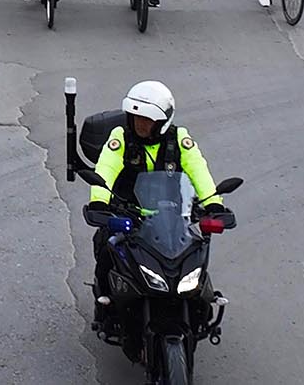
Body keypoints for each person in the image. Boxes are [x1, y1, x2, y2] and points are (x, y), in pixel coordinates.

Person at [85, 81, 229, 339]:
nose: (140, 124)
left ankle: (200, 304)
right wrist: (99, 201)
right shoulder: (120, 137)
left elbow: (198, 169)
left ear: (162, 121)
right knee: (106, 246)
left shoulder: (179, 140)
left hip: (172, 215)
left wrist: (213, 203)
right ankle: (105, 303)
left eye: (147, 119)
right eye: (136, 117)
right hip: (128, 212)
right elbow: (106, 168)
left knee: (195, 252)